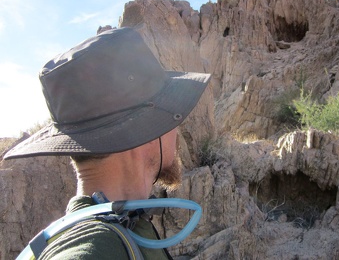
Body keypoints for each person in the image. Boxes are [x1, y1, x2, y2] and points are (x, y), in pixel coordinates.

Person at [4, 27, 211, 259]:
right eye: (174, 116)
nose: (176, 128)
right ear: (146, 128)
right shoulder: (93, 249)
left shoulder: (122, 223)